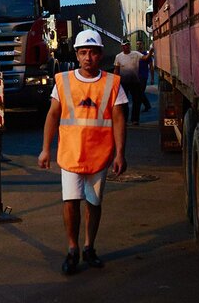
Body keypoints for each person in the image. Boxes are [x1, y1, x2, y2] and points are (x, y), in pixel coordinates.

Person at [38, 29, 128, 275]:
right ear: (77, 55)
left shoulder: (112, 83)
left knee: (94, 202)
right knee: (70, 202)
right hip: (70, 155)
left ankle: (89, 247)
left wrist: (120, 153)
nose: (88, 57)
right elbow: (52, 116)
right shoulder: (63, 81)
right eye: (83, 52)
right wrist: (45, 149)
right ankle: (72, 249)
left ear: (100, 55)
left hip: (100, 155)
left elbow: (119, 120)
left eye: (93, 52)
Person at [114, 39, 153, 126]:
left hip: (135, 82)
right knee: (124, 102)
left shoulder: (136, 54)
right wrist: (115, 82)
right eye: (124, 45)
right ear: (122, 47)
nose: (126, 47)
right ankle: (125, 120)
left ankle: (135, 120)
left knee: (137, 101)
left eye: (128, 45)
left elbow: (145, 58)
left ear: (129, 46)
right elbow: (116, 70)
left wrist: (150, 52)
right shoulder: (118, 57)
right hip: (123, 83)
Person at [136, 39, 153, 112]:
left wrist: (152, 78)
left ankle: (142, 107)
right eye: (137, 44)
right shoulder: (135, 54)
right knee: (139, 92)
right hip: (136, 77)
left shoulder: (146, 54)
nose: (139, 45)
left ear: (143, 45)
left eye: (140, 44)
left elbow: (151, 66)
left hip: (144, 76)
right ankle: (147, 105)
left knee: (140, 92)